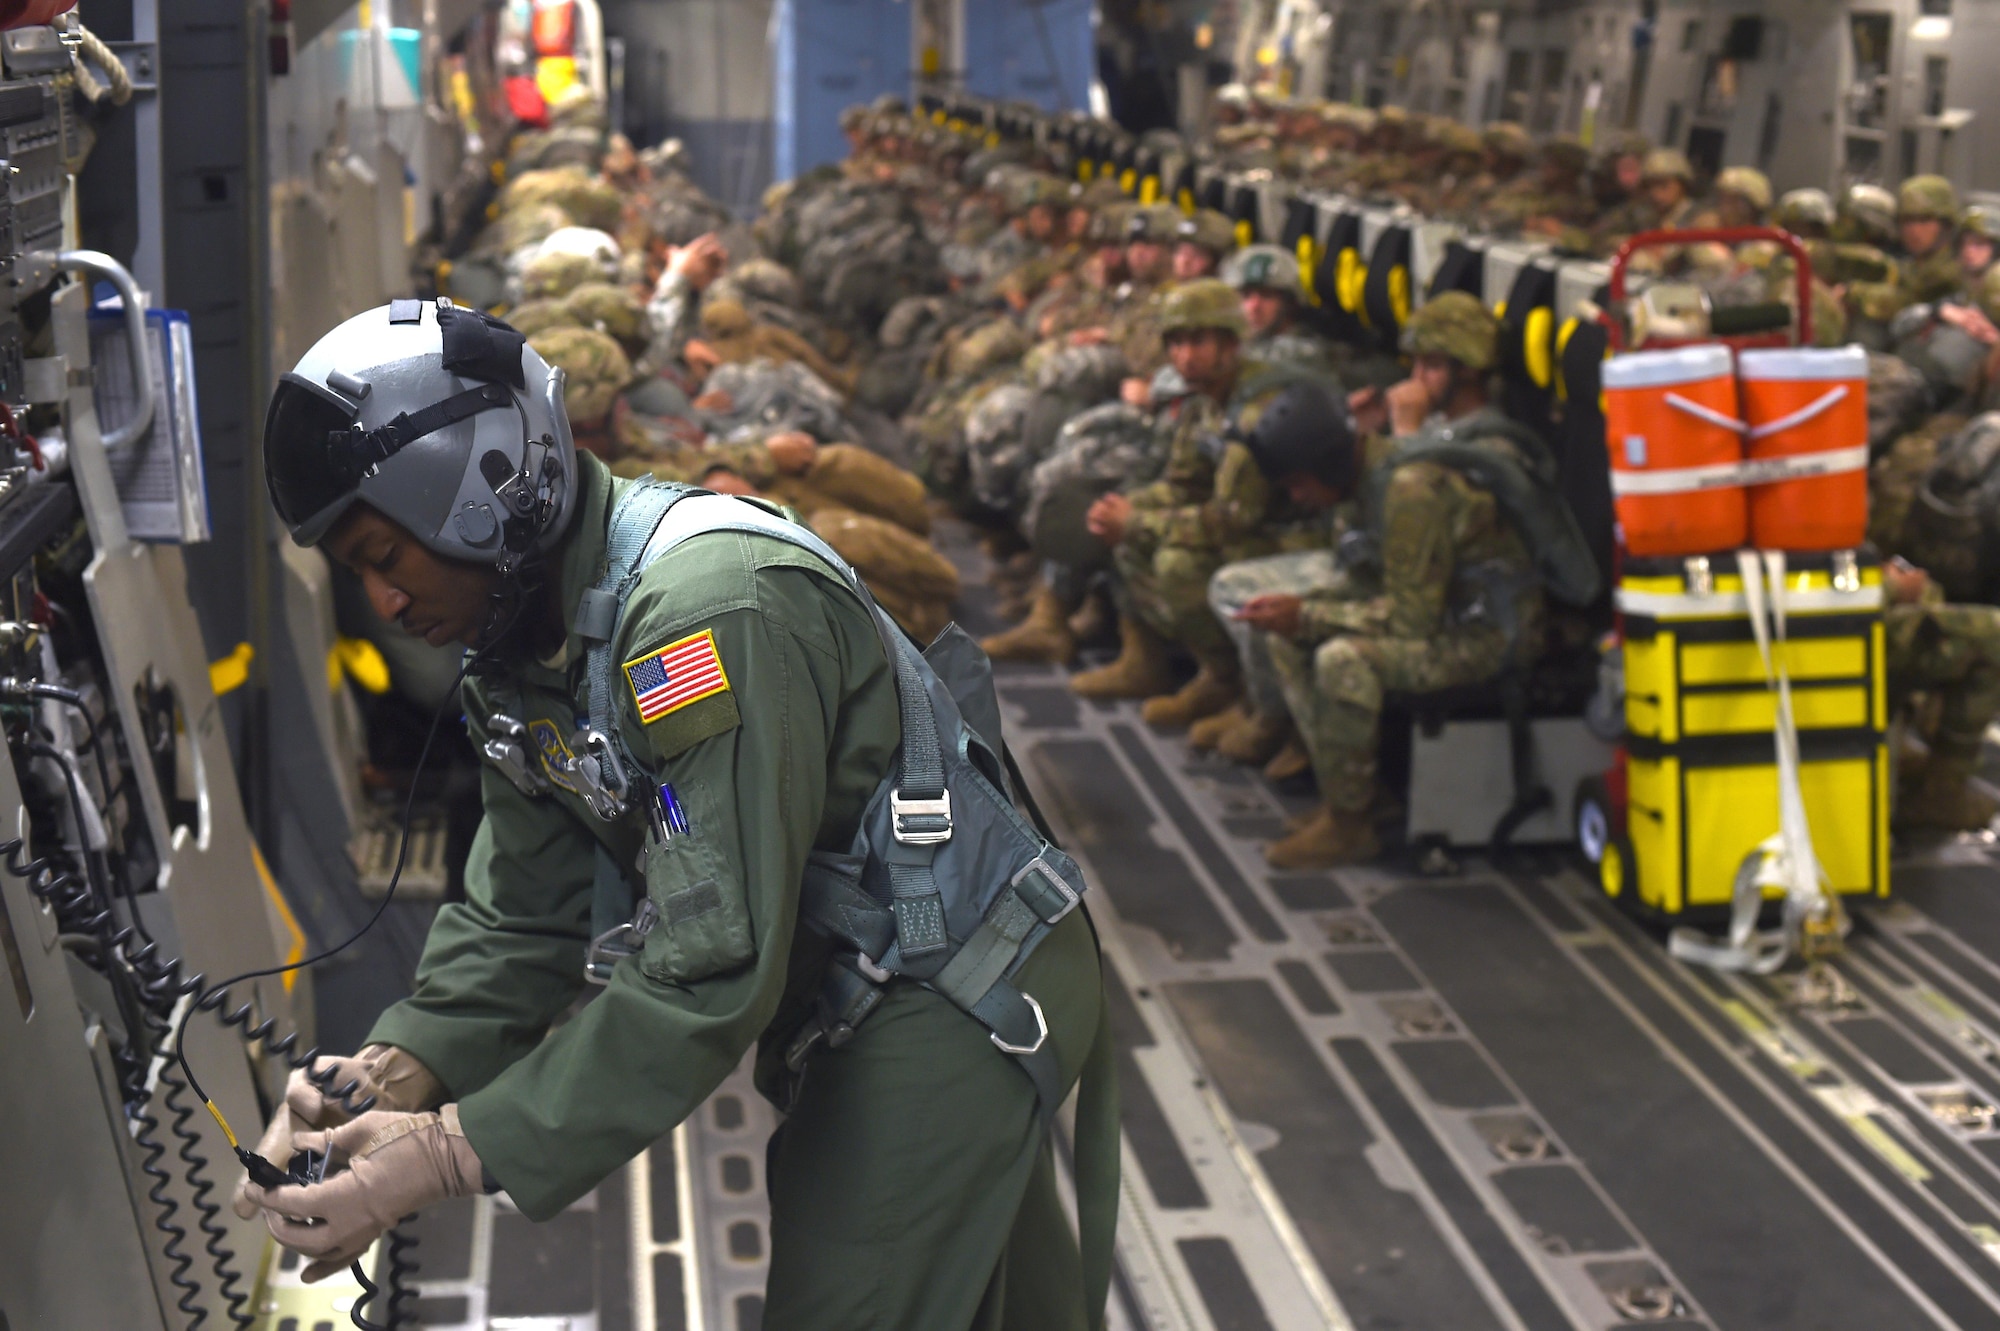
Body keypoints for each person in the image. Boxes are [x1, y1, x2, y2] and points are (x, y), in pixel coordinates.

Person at [238, 301, 1115, 1331]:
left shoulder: (705, 611)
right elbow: (522, 916)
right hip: (869, 971)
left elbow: (711, 959)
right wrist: (390, 1072)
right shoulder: (523, 653)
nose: (382, 601)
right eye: (357, 571)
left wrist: (451, 1146)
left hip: (953, 979)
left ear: (485, 504)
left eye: (387, 556)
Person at [1234, 294, 1565, 867]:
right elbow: (1374, 576)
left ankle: (1350, 824)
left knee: (1341, 656)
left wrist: (1310, 614)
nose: (1296, 499)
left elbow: (1414, 619)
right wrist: (1301, 610)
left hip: (1486, 631)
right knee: (1288, 627)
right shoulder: (1380, 470)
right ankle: (1352, 793)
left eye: (1299, 484)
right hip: (1448, 610)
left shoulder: (1411, 488)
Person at [1068, 278, 1321, 725]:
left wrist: (1140, 522)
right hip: (1247, 524)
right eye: (1177, 343)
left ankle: (1240, 689)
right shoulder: (1206, 401)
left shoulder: (1253, 408)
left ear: (1230, 342)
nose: (1185, 356)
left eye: (1199, 341)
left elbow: (1231, 519)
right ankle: (1166, 665)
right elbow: (1184, 484)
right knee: (1126, 523)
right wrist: (1126, 510)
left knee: (1177, 564)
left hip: (1295, 535)